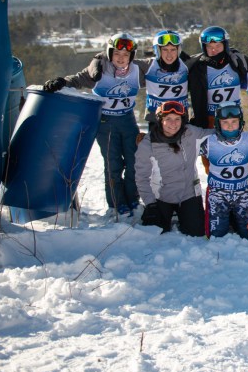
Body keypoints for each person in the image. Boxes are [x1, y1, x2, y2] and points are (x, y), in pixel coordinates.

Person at [43, 32, 145, 216]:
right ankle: (117, 203)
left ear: (132, 56)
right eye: (117, 54)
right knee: (112, 164)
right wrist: (61, 82)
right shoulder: (100, 69)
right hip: (106, 122)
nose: (121, 59)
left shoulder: (138, 69)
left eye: (126, 55)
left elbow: (162, 66)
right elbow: (76, 79)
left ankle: (133, 200)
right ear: (110, 53)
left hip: (128, 120)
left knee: (134, 162)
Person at [135, 100, 213, 235]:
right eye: (168, 119)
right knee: (156, 232)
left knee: (196, 232)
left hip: (189, 193)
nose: (173, 123)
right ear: (160, 120)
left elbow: (213, 134)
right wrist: (150, 203)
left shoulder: (190, 133)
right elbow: (141, 177)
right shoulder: (148, 143)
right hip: (162, 196)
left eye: (177, 119)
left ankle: (185, 213)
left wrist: (235, 130)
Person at [200, 101, 248, 240]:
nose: (230, 126)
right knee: (217, 236)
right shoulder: (208, 142)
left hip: (243, 192)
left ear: (240, 122)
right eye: (225, 122)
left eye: (234, 122)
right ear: (217, 124)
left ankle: (235, 220)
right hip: (217, 194)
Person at [186, 26, 248, 128]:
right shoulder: (198, 68)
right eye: (209, 47)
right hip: (210, 121)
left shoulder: (236, 62)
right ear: (204, 48)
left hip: (233, 120)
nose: (214, 50)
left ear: (225, 45)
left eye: (218, 46)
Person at [138, 30, 190, 123]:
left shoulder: (186, 64)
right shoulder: (149, 65)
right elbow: (124, 62)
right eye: (165, 50)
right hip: (156, 116)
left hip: (180, 116)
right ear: (157, 51)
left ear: (179, 51)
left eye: (173, 49)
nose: (169, 54)